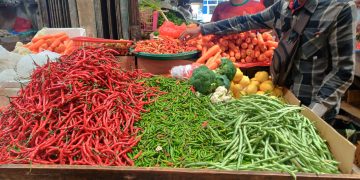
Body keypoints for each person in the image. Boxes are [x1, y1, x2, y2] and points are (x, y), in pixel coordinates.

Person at [180, 0, 356, 122]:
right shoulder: (284, 7)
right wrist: (202, 29)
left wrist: (312, 114)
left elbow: (343, 72)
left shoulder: (339, 8)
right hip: (283, 101)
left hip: (316, 110)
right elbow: (245, 21)